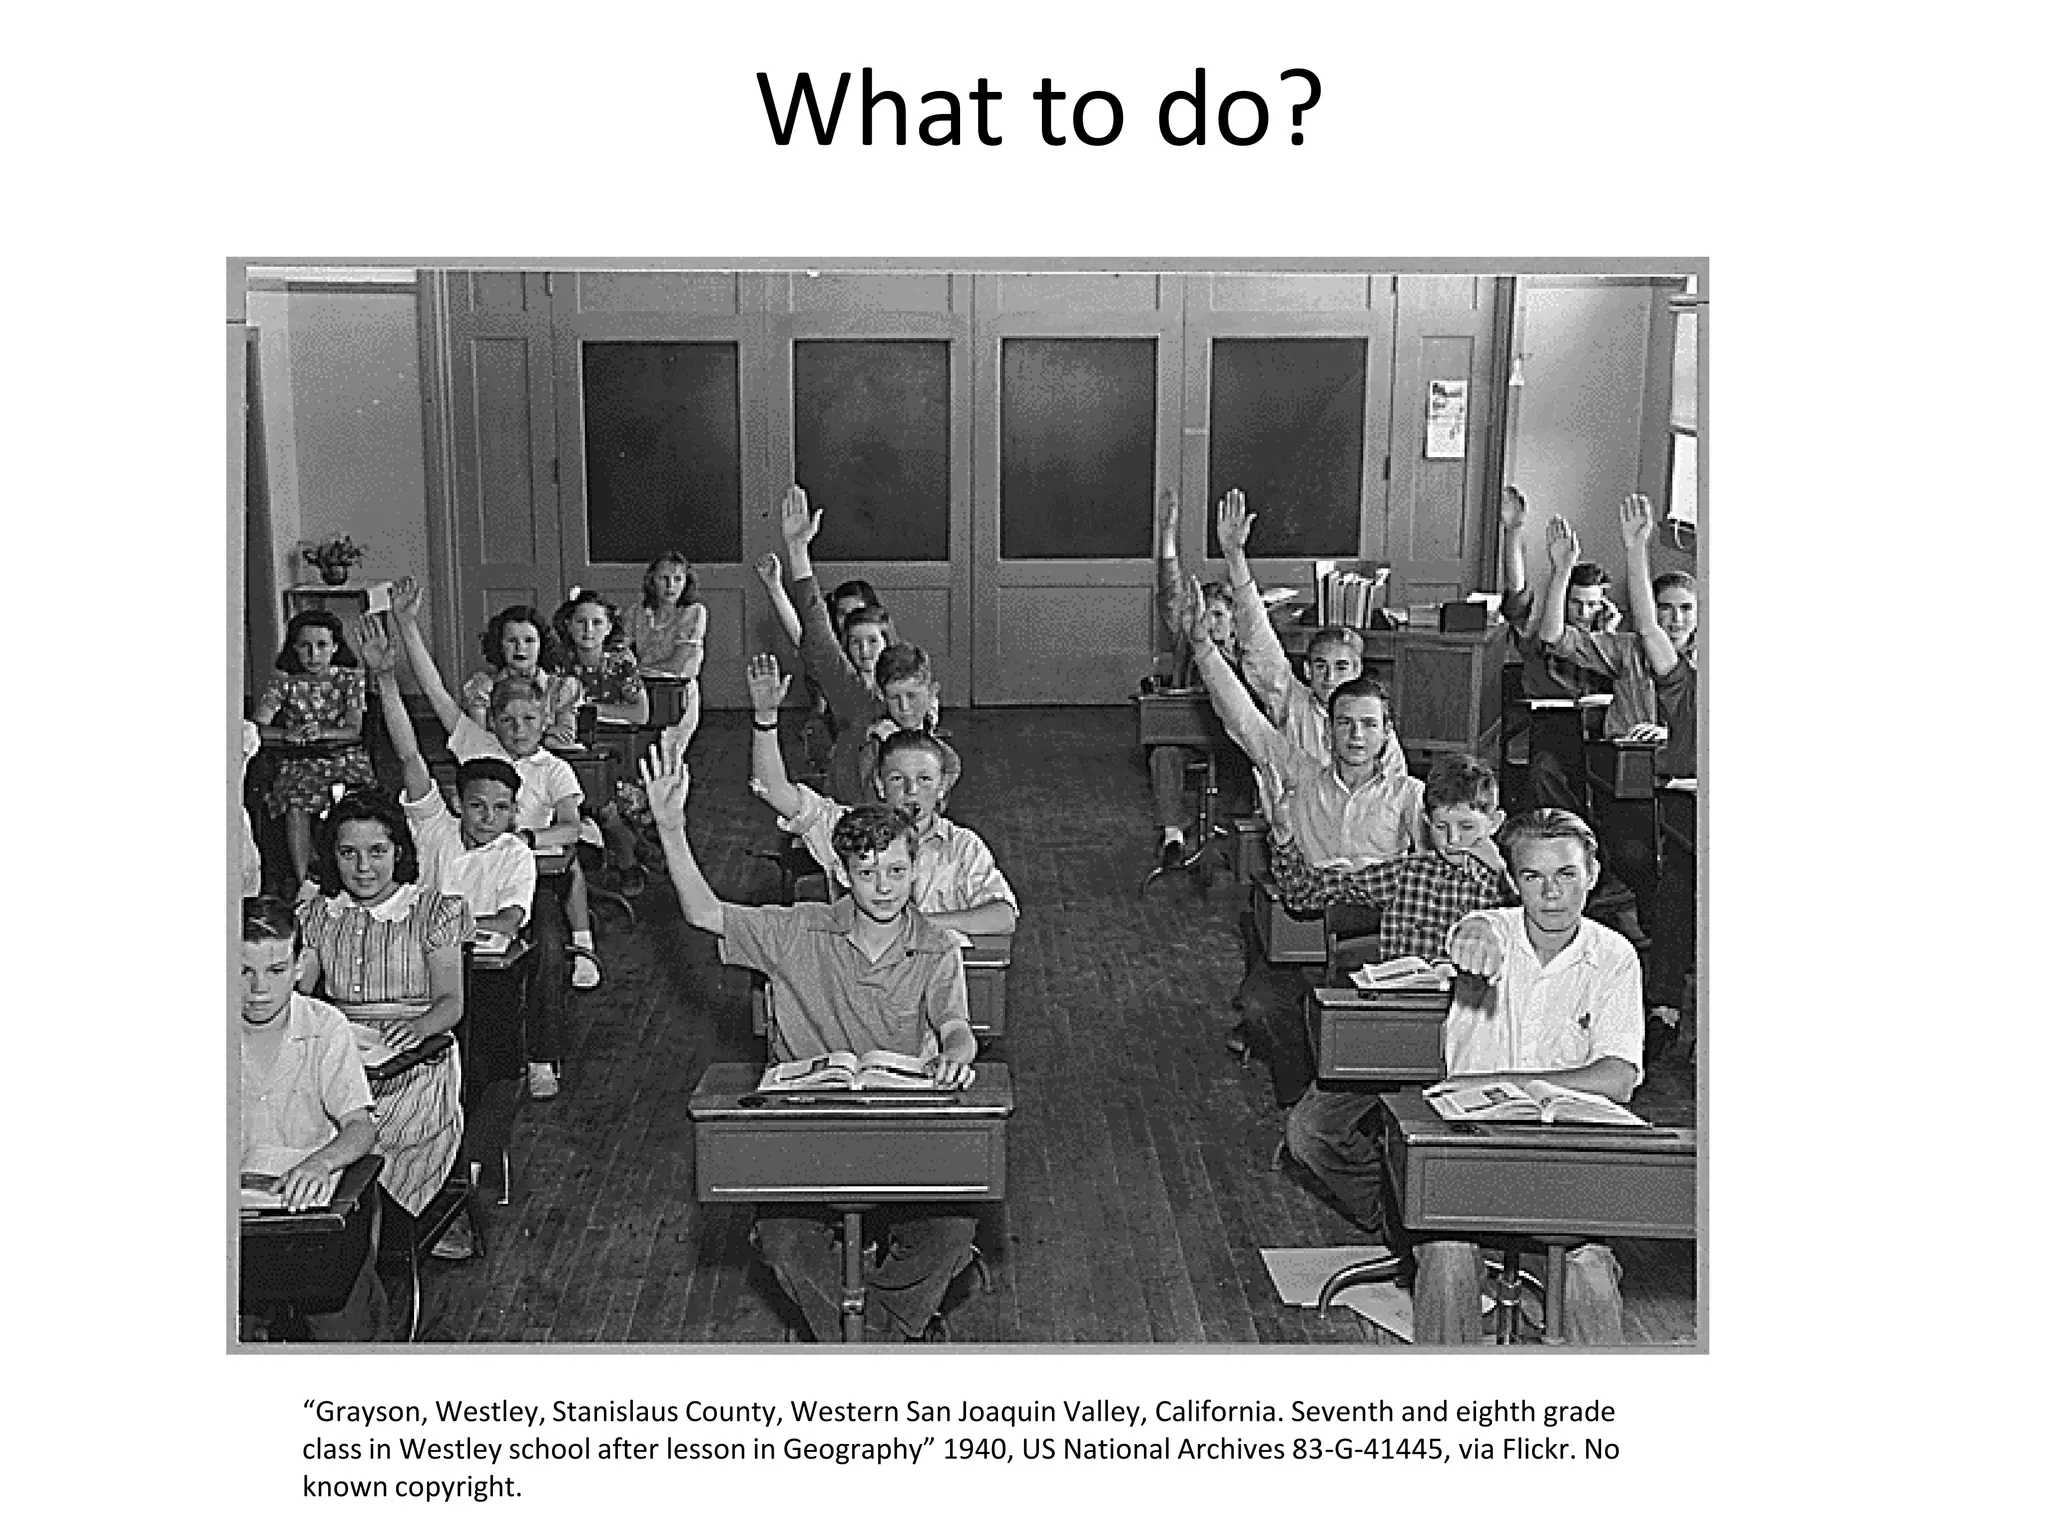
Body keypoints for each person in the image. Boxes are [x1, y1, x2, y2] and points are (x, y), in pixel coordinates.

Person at [640, 736, 979, 1343]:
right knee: (783, 1240)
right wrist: (671, 827)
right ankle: (884, 1349)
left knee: (952, 1232)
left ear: (915, 869)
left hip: (900, 1134)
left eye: (897, 871)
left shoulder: (934, 945)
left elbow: (954, 1026)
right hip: (807, 1136)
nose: (883, 886)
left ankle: (869, 1341)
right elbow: (704, 913)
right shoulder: (799, 929)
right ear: (843, 875)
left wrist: (957, 1052)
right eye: (868, 872)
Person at [1411, 808, 1646, 1345]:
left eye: (1566, 875)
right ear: (1513, 883)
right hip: (1476, 1155)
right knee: (1447, 1260)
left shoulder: (1614, 957)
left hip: (1568, 1164)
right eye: (1533, 878)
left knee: (1589, 1275)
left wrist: (1512, 1083)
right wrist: (1473, 931)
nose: (1552, 894)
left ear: (1593, 874)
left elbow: (1617, 1078)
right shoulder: (1489, 931)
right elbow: (1477, 931)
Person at [1187, 574, 1425, 1104]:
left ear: (1387, 731)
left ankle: (1362, 1103)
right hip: (1311, 939)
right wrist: (1204, 648)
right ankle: (1305, 1097)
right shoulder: (1300, 774)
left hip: (1384, 947)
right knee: (1260, 1006)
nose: (1356, 736)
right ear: (1329, 727)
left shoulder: (1410, 796)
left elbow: (1440, 866)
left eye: (1368, 725)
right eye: (1344, 724)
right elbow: (1242, 718)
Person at [1281, 755, 1516, 1240]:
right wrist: (1283, 835)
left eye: (1469, 828)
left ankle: (1434, 1231)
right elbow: (1307, 893)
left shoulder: (1511, 892)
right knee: (1308, 1132)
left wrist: (1506, 872)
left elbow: (1547, 940)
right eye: (1443, 828)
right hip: (1391, 1040)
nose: (1454, 842)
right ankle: (1395, 1225)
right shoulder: (1407, 873)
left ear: (1494, 823)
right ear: (1426, 824)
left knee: (1432, 1147)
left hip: (1465, 1050)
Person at [389, 575, 588, 1093]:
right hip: (468, 879)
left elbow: (573, 826)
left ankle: (542, 1056)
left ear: (544, 720)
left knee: (544, 944)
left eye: (528, 719)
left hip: (528, 878)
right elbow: (432, 692)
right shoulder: (476, 744)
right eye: (508, 719)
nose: (518, 728)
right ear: (493, 720)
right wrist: (408, 626)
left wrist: (525, 840)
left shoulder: (552, 769)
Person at [296, 791, 473, 1259]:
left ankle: (367, 1241)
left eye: (377, 851)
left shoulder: (434, 911)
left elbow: (451, 1002)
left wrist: (417, 1029)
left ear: (399, 851)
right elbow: (300, 997)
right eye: (348, 853)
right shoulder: (319, 914)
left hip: (417, 1061)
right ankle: (323, 1251)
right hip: (343, 1054)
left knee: (367, 1137)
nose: (363, 867)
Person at [747, 653, 1015, 936]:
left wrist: (915, 928)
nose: (912, 791)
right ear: (879, 784)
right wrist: (765, 720)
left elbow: (1003, 915)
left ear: (941, 788)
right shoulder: (847, 828)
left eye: (924, 780)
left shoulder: (963, 847)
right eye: (898, 779)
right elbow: (772, 789)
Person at [239, 895, 384, 1340]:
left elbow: (361, 1127)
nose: (259, 988)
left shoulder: (326, 1025)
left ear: (300, 966)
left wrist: (320, 1163)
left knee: (345, 1327)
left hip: (308, 1219)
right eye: (242, 971)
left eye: (276, 970)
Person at [1212, 488, 1408, 776]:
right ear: (1306, 670)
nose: (1330, 678)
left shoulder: (1373, 718)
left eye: (1341, 667)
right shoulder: (1292, 701)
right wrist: (1235, 557)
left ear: (1359, 669)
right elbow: (1258, 637)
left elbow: (1396, 792)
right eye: (1321, 667)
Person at [778, 483, 917, 806]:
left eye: (872, 641)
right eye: (855, 643)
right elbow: (817, 633)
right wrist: (798, 553)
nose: (864, 651)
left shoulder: (909, 693)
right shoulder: (852, 694)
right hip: (853, 808)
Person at [1498, 486, 1618, 812]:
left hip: (1595, 728)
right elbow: (1517, 592)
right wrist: (1514, 532)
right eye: (1576, 603)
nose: (1583, 612)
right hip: (1550, 724)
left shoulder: (1610, 640)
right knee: (1544, 774)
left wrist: (1608, 632)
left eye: (1592, 605)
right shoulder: (1546, 632)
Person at [1149, 489, 1244, 869]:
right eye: (1207, 615)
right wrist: (1167, 534)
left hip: (1236, 740)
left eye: (1219, 616)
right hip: (1189, 734)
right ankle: (1174, 835)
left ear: (1235, 621)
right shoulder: (1191, 641)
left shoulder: (1247, 654)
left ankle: (1245, 838)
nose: (1211, 623)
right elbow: (1172, 590)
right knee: (1163, 753)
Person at [252, 609, 377, 892]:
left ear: (335, 647)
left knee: (345, 799)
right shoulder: (283, 682)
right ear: (294, 648)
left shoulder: (349, 679)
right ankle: (304, 883)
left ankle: (345, 871)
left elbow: (354, 728)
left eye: (322, 646)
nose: (313, 654)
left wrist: (323, 732)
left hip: (343, 759)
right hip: (299, 762)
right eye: (305, 646)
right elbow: (257, 726)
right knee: (296, 804)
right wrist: (287, 733)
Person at [554, 588, 651, 894]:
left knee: (607, 807)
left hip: (616, 757)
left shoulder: (621, 662)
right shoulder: (557, 663)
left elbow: (641, 713)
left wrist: (588, 709)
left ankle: (628, 862)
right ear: (568, 625)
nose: (588, 630)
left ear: (609, 627)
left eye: (597, 623)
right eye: (580, 622)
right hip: (566, 753)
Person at [459, 604, 583, 750]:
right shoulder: (483, 687)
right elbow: (480, 739)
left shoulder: (562, 687)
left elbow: (563, 737)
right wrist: (544, 732)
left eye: (529, 640)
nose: (520, 648)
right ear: (499, 645)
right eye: (512, 641)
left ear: (542, 644)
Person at [624, 551, 707, 683]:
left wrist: (634, 671)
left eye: (678, 579)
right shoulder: (637, 611)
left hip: (677, 689)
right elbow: (621, 649)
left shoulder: (694, 612)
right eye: (664, 578)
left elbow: (676, 664)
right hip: (640, 686)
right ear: (652, 581)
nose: (670, 586)